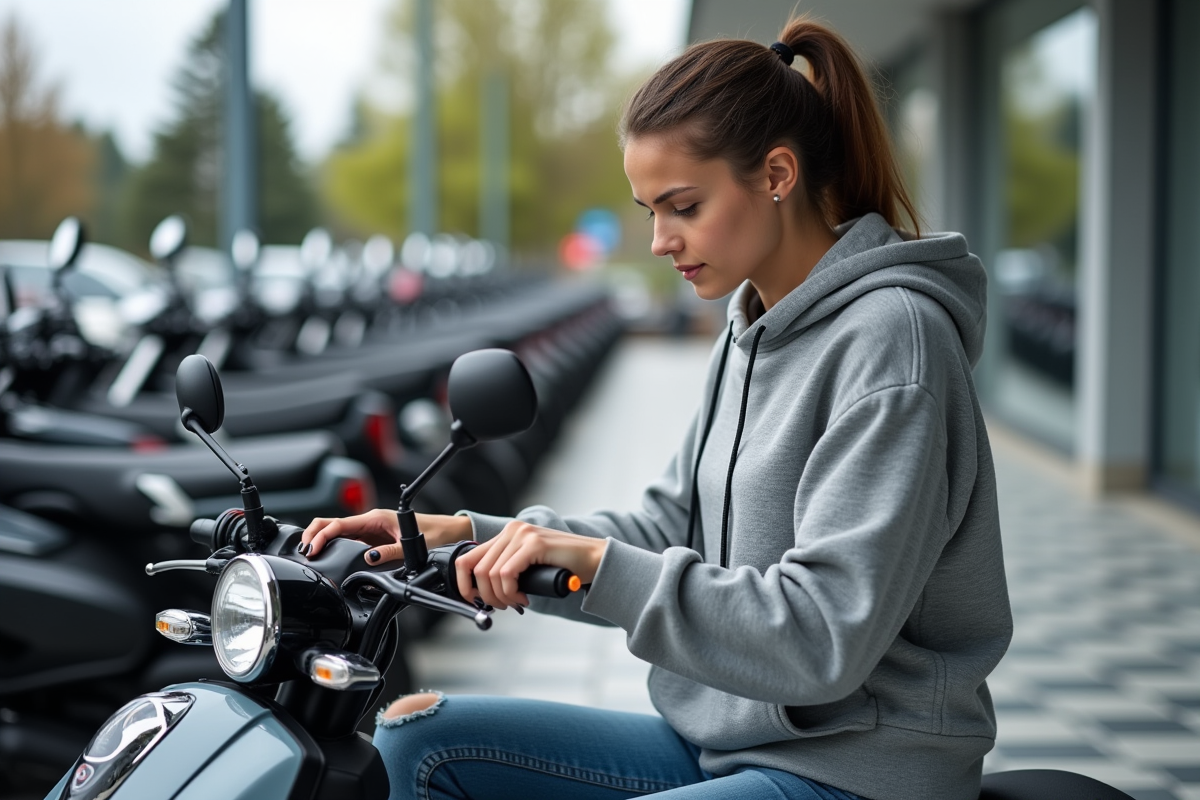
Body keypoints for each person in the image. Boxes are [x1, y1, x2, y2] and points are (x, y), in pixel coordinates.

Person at [301, 14, 1012, 800]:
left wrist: (593, 567)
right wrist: (471, 536)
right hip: (725, 742)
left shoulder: (893, 342)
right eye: (649, 212)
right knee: (418, 738)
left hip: (858, 771)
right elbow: (669, 526)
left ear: (776, 175)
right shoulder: (749, 328)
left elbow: (822, 637)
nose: (659, 241)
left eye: (682, 206)